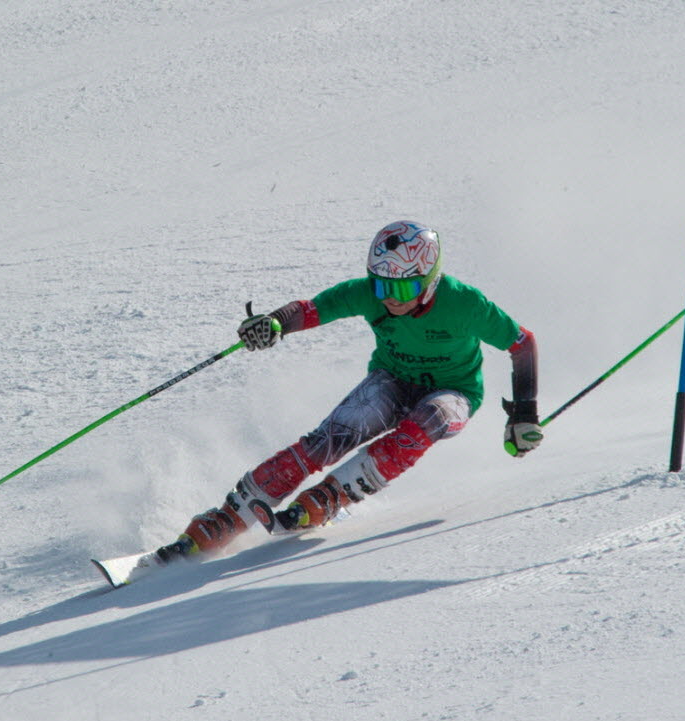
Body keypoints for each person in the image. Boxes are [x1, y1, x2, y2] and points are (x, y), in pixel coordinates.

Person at [155, 219, 542, 563]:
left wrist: (524, 414)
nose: (390, 297)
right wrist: (274, 323)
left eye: (404, 287)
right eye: (381, 284)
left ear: (430, 280)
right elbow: (314, 309)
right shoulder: (372, 295)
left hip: (453, 391)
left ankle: (333, 495)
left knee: (423, 424)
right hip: (392, 379)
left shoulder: (464, 303)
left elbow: (522, 343)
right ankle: (228, 516)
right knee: (329, 438)